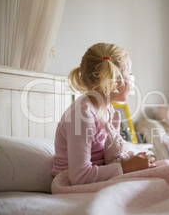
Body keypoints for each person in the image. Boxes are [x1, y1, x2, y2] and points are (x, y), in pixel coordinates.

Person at [51, 42, 156, 185]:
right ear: (114, 79)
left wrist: (133, 161)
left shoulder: (109, 111)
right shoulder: (82, 116)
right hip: (71, 183)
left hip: (101, 176)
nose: (132, 81)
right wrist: (126, 167)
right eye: (129, 75)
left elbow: (111, 156)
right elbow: (79, 176)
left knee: (167, 165)